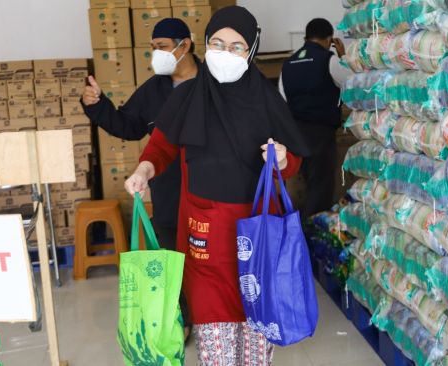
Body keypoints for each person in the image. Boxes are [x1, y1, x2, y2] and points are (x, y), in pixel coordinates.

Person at [123, 6, 310, 365]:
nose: (225, 53)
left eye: (236, 46)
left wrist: (283, 160)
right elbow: (161, 146)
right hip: (204, 234)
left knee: (256, 339)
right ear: (205, 45)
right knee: (216, 345)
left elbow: (293, 161)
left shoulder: (267, 100)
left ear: (251, 51)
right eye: (217, 43)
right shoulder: (187, 97)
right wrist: (144, 171)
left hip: (257, 234)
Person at [80, 18, 198, 338]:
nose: (155, 55)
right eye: (153, 48)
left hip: (211, 191)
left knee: (212, 260)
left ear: (184, 45)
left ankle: (220, 320)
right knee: (173, 261)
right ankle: (182, 320)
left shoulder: (212, 83)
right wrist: (97, 106)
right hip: (169, 190)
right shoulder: (154, 89)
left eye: (161, 47)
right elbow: (128, 126)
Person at [278, 18, 353, 217]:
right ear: (329, 39)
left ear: (306, 37)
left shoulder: (288, 63)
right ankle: (315, 233)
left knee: (299, 186)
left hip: (295, 134)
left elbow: (282, 99)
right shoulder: (329, 59)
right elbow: (351, 84)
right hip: (320, 134)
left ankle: (298, 230)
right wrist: (343, 56)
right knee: (320, 185)